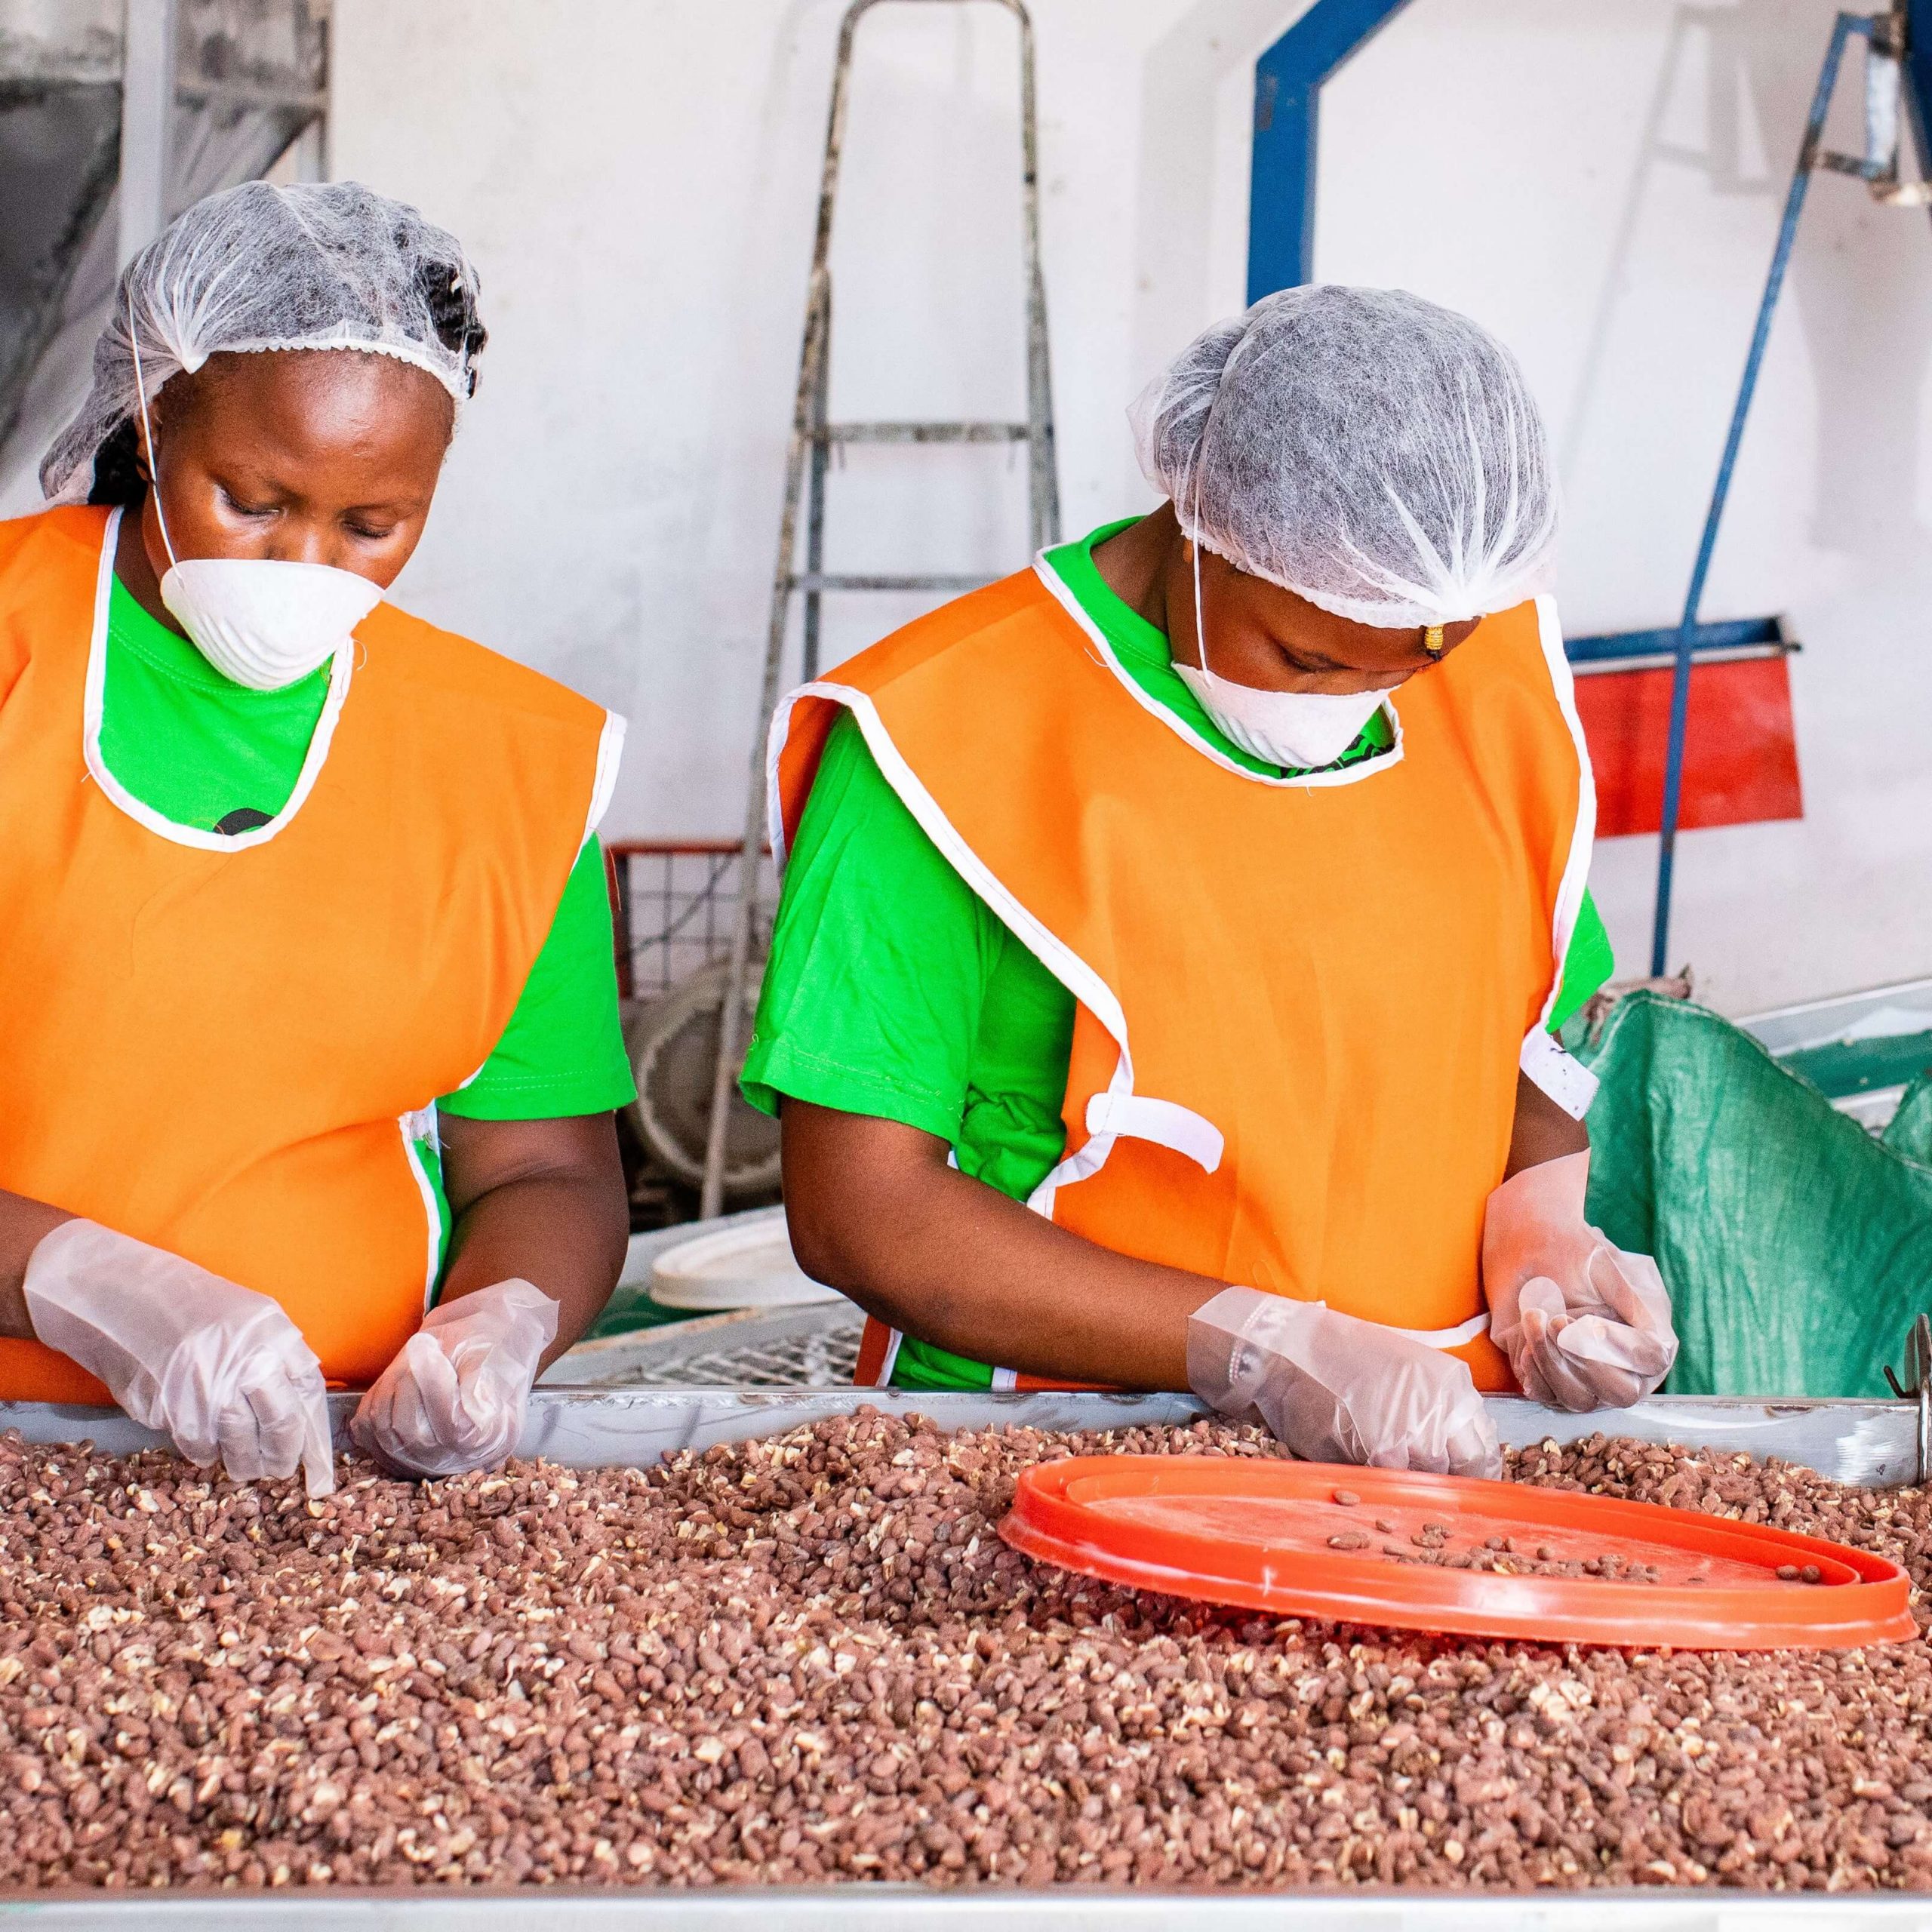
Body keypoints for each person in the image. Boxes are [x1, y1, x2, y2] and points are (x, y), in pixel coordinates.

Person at [745, 286, 1678, 1475]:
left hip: (1446, 1444)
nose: (1359, 702)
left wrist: (1543, 1236)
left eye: (1410, 668)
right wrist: (1266, 1350)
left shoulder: (1471, 664)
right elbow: (862, 1215)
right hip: (1058, 1448)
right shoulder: (937, 741)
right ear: (1205, 526)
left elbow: (1516, 1021)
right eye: (1309, 656)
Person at [0, 182, 635, 1494]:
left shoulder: (509, 758)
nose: (301, 562)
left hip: (340, 1467)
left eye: (370, 526)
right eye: (251, 497)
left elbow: (544, 1165)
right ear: (152, 413)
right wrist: (75, 1282)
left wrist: (501, 1325)